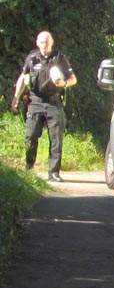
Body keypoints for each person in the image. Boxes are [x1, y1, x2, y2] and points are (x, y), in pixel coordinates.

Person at [11, 31, 77, 182]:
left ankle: (53, 172)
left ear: (52, 42)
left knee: (56, 139)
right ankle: (29, 168)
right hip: (34, 102)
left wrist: (64, 84)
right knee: (31, 136)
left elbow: (73, 79)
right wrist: (16, 97)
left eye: (46, 42)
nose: (44, 44)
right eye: (41, 42)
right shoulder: (32, 58)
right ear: (37, 43)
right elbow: (23, 77)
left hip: (54, 103)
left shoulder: (59, 58)